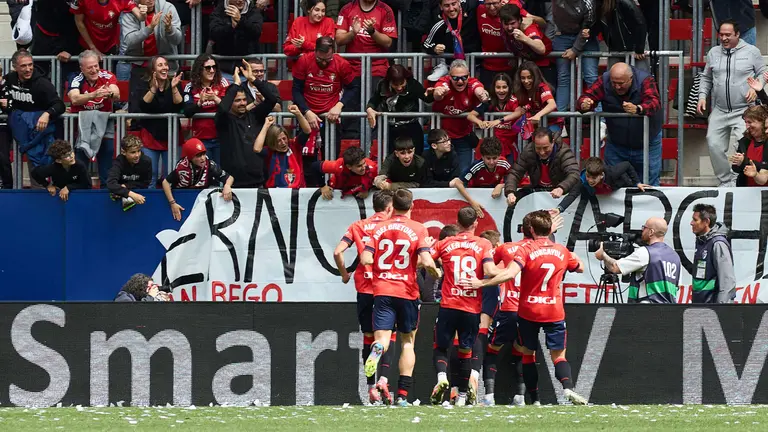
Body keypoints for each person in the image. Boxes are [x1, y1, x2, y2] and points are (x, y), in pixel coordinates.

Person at [460, 210, 587, 405]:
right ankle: (567, 388)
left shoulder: (517, 249)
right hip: (554, 310)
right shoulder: (562, 251)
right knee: (559, 356)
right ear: (549, 228)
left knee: (526, 352)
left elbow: (507, 273)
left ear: (528, 229)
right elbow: (580, 267)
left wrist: (482, 283)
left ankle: (526, 398)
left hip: (527, 310)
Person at [361, 188, 440, 407]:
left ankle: (377, 350)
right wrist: (433, 269)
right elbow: (425, 259)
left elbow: (366, 257)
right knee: (407, 342)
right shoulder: (418, 228)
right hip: (407, 292)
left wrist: (378, 265)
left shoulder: (379, 228)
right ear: (411, 206)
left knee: (383, 338)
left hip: (383, 290)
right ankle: (403, 395)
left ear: (392, 206)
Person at [428, 207, 497, 407]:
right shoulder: (483, 244)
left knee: (440, 347)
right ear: (476, 223)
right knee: (466, 350)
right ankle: (464, 395)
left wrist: (434, 269)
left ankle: (442, 378)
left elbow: (425, 259)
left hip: (449, 305)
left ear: (457, 223)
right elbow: (489, 270)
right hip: (471, 307)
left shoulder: (446, 242)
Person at [333, 190, 396, 405]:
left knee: (369, 337)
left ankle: (370, 387)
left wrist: (344, 274)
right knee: (388, 336)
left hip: (364, 289)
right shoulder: (391, 227)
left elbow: (337, 252)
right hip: (386, 288)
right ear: (389, 208)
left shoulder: (358, 226)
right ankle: (384, 380)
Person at [697, 20, 766, 187]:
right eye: (721, 35)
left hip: (744, 110)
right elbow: (706, 77)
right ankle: (725, 180)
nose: (724, 38)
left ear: (737, 34)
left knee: (741, 146)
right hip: (720, 110)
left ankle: (737, 179)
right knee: (713, 143)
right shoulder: (713, 52)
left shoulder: (751, 52)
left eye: (728, 35)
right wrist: (702, 96)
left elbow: (764, 72)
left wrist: (757, 88)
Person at [577, 62, 662, 185]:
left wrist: (639, 109)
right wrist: (584, 104)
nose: (617, 87)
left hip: (647, 143)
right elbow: (586, 97)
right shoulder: (604, 81)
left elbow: (654, 102)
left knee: (650, 184)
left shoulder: (645, 80)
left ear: (631, 79)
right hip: (616, 145)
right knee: (612, 184)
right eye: (614, 83)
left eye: (621, 83)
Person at [481, 223, 532, 407]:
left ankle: (488, 396)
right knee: (521, 353)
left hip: (508, 309)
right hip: (528, 312)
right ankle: (520, 396)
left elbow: (485, 266)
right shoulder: (538, 251)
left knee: (490, 351)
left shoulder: (505, 249)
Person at [336, 0, 397, 140]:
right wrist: (353, 33)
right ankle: (351, 152)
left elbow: (388, 42)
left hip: (377, 69)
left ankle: (375, 152)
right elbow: (338, 39)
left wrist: (372, 31)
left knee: (376, 113)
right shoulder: (347, 9)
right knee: (350, 115)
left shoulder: (385, 9)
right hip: (352, 70)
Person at [1, 50, 65, 180]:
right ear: (15, 67)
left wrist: (47, 114)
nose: (28, 69)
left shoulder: (42, 83)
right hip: (19, 128)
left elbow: (60, 105)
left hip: (39, 130)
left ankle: (42, 193)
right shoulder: (10, 79)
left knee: (39, 169)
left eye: (30, 65)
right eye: (23, 66)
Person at [216, 60, 277, 188]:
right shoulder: (225, 120)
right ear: (230, 102)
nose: (243, 103)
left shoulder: (255, 115)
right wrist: (236, 84)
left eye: (244, 100)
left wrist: (253, 79)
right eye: (237, 100)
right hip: (232, 184)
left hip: (258, 181)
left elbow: (271, 100)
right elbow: (222, 108)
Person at [595, 216, 681, 303]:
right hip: (669, 311)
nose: (642, 230)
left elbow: (615, 267)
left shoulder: (645, 252)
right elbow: (677, 287)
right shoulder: (675, 257)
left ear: (651, 232)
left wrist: (603, 255)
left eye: (644, 227)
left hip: (645, 310)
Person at [291, 36, 359, 145]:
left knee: (331, 159)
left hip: (331, 116)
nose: (323, 63)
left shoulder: (342, 64)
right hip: (307, 116)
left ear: (333, 53)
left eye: (327, 59)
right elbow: (296, 90)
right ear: (315, 51)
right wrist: (306, 111)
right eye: (320, 59)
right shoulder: (304, 61)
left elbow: (353, 87)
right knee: (305, 158)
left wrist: (339, 105)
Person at [68, 50, 120, 188]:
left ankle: (106, 193)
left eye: (96, 65)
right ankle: (82, 192)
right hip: (83, 128)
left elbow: (117, 93)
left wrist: (109, 93)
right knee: (81, 163)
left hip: (105, 126)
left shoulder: (107, 75)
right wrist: (93, 94)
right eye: (90, 67)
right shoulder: (76, 78)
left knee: (106, 164)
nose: (94, 69)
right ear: (82, 69)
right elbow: (74, 99)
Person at [430, 59, 490, 174]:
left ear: (468, 76)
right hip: (443, 140)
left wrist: (483, 95)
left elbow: (480, 90)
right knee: (443, 174)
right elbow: (437, 94)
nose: (460, 81)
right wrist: (439, 93)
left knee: (464, 173)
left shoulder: (473, 83)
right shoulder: (444, 83)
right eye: (455, 78)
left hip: (463, 138)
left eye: (464, 77)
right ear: (449, 76)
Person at [132, 55, 183, 188]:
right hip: (150, 136)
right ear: (152, 70)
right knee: (151, 175)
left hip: (171, 136)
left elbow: (179, 105)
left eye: (165, 64)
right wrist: (153, 89)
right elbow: (143, 105)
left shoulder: (174, 83)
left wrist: (174, 88)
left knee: (171, 174)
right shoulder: (143, 84)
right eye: (160, 65)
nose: (165, 67)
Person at [161, 138, 234, 221]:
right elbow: (165, 182)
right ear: (190, 157)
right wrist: (172, 203)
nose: (203, 158)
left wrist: (227, 186)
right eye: (198, 155)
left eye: (203, 154)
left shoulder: (209, 164)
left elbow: (229, 177)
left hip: (201, 201)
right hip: (181, 199)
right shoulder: (182, 167)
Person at [120, 0, 183, 96]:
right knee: (137, 107)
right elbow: (129, 41)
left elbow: (177, 39)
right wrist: (150, 28)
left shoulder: (167, 8)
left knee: (168, 107)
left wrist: (170, 30)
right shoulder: (130, 12)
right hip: (140, 67)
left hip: (166, 67)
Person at [366, 64, 431, 156]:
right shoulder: (382, 85)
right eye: (395, 85)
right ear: (389, 81)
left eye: (402, 84)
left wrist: (434, 94)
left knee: (416, 157)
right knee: (392, 159)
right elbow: (374, 100)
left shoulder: (412, 84)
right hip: (391, 129)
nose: (399, 88)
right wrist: (369, 109)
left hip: (411, 127)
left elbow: (427, 98)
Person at [504, 128, 580, 206]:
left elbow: (574, 173)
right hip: (538, 191)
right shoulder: (528, 151)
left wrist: (561, 188)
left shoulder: (563, 152)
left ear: (552, 142)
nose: (542, 152)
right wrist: (510, 192)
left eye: (545, 148)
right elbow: (515, 173)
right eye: (538, 148)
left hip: (560, 193)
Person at [552, 0, 599, 115]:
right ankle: (559, 122)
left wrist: (575, 49)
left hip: (587, 37)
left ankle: (600, 122)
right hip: (562, 35)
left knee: (591, 77)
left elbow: (586, 28)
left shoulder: (588, 2)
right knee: (563, 78)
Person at [556, 157, 650, 213]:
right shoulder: (583, 180)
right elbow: (572, 195)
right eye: (588, 176)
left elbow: (627, 165)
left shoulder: (613, 173)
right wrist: (559, 209)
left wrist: (637, 183)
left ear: (601, 175)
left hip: (622, 186)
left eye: (593, 178)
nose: (590, 180)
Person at [183, 54, 230, 165]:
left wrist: (215, 98)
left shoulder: (223, 83)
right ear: (200, 69)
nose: (212, 70)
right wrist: (199, 103)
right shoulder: (190, 87)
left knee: (220, 175)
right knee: (205, 175)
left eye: (214, 67)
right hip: (201, 139)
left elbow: (229, 108)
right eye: (208, 68)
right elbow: (187, 111)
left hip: (221, 137)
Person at [451, 137, 512, 217]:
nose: (491, 162)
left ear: (499, 156)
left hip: (495, 203)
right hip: (476, 201)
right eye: (488, 158)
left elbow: (515, 179)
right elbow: (458, 183)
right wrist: (472, 202)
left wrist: (501, 185)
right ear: (482, 157)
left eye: (494, 158)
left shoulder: (504, 164)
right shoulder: (477, 166)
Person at [423, 0, 481, 81]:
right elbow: (426, 43)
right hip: (450, 65)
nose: (451, 9)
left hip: (475, 64)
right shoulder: (438, 21)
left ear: (459, 2)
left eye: (453, 4)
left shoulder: (471, 9)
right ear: (441, 7)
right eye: (446, 6)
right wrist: (434, 48)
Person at [256, 106, 312, 189]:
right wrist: (266, 126)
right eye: (279, 140)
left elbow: (307, 131)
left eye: (284, 138)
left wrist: (298, 113)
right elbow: (257, 148)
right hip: (275, 193)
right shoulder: (269, 151)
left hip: (297, 191)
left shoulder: (294, 145)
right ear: (272, 142)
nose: (283, 142)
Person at [499, 3, 554, 86]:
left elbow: (541, 49)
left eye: (513, 23)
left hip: (545, 64)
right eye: (506, 24)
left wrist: (524, 38)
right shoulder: (504, 30)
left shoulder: (528, 28)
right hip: (528, 65)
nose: (509, 28)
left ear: (520, 20)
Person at [690, 204, 736, 304]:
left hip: (714, 310)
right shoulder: (702, 241)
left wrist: (721, 312)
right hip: (700, 307)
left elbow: (727, 281)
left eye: (695, 220)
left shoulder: (718, 244)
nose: (691, 223)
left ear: (706, 221)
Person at [209, 0, 263, 79]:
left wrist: (240, 20)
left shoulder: (253, 11)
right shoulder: (218, 11)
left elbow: (256, 32)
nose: (240, 0)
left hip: (248, 69)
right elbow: (213, 34)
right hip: (223, 69)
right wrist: (231, 27)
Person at [71, 0, 143, 57]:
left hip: (110, 45)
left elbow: (141, 17)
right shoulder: (82, 1)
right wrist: (92, 47)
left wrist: (143, 13)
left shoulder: (120, 1)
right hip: (87, 46)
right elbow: (79, 21)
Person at [32, 0, 82, 79]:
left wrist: (69, 49)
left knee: (68, 78)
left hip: (69, 38)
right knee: (38, 75)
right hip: (43, 36)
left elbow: (78, 22)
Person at [482, 72, 526, 162]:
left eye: (504, 87)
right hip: (493, 147)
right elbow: (472, 114)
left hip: (510, 146)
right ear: (493, 88)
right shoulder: (490, 102)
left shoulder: (512, 100)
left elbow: (519, 112)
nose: (501, 91)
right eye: (498, 87)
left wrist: (499, 120)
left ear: (509, 88)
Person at [596, 0, 648, 70]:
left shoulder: (623, 2)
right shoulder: (600, 5)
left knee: (641, 77)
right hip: (615, 48)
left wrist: (639, 49)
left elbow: (640, 22)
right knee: (614, 76)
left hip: (634, 47)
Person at [313, 146, 378, 200]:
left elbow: (381, 184)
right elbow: (315, 166)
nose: (364, 167)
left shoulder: (372, 167)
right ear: (349, 167)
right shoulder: (338, 166)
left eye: (364, 163)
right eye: (359, 166)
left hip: (359, 191)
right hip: (337, 190)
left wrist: (368, 190)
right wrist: (323, 186)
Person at [107, 135, 152, 211]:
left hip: (140, 195)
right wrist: (130, 194)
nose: (137, 155)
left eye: (139, 151)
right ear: (123, 152)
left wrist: (127, 186)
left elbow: (145, 183)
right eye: (133, 152)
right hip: (119, 196)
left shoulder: (146, 161)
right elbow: (110, 183)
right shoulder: (119, 162)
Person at [513, 61, 559, 133]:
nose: (526, 81)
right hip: (534, 125)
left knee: (552, 140)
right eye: (523, 78)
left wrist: (538, 115)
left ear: (536, 77)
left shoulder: (542, 87)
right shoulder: (519, 90)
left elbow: (552, 104)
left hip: (552, 122)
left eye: (529, 77)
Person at [729, 106, 768, 187]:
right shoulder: (745, 141)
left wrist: (744, 162)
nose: (747, 126)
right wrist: (739, 162)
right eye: (746, 122)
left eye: (750, 122)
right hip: (746, 190)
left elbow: (764, 174)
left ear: (763, 122)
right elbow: (735, 169)